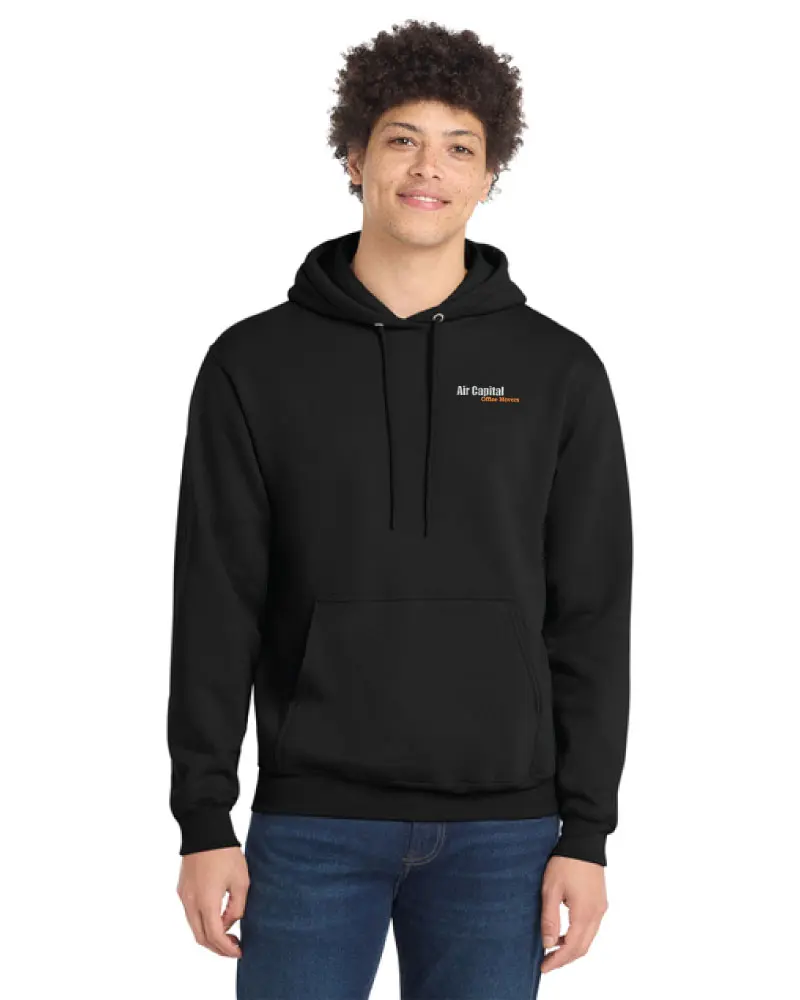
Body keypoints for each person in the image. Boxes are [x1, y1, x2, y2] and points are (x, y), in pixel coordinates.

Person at [167, 18, 633, 999]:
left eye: (460, 147)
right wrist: (203, 819)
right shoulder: (253, 364)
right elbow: (215, 601)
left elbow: (590, 614)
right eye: (401, 139)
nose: (429, 167)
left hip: (506, 835)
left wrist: (586, 832)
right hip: (310, 827)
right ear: (353, 157)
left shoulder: (557, 370)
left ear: (489, 174)